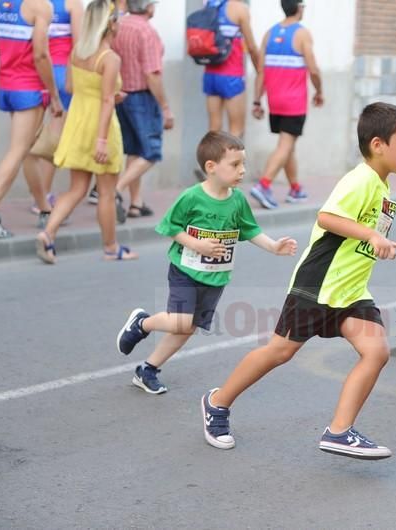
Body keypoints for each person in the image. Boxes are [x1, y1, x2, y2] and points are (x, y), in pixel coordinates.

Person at [200, 102, 396, 460]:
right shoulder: (360, 180)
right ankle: (217, 402)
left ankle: (339, 431)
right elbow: (328, 217)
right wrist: (371, 236)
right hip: (320, 283)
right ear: (378, 144)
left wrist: (375, 243)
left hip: (351, 291)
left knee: (376, 351)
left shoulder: (382, 187)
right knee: (279, 351)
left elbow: (359, 235)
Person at [115, 131, 298, 394]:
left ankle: (148, 369)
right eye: (235, 165)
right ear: (211, 167)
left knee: (187, 327)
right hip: (185, 271)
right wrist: (196, 244)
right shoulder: (191, 197)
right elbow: (170, 227)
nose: (242, 170)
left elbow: (250, 230)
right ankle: (141, 323)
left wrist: (273, 246)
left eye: (243, 164)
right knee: (180, 321)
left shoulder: (237, 200)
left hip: (216, 277)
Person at [35, 0, 138, 264]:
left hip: (78, 124)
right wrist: (102, 139)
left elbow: (69, 87)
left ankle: (47, 234)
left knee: (76, 188)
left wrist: (101, 93)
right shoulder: (110, 58)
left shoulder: (76, 53)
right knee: (106, 191)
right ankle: (111, 247)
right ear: (110, 24)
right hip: (100, 127)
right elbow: (106, 101)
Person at [0, 0, 64, 239]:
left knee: (26, 150)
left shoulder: (3, 3)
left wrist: (14, 50)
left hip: (7, 84)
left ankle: (45, 209)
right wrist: (54, 95)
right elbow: (41, 55)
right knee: (18, 150)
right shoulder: (42, 7)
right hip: (29, 88)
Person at [89, 0, 174, 220]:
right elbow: (152, 74)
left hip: (120, 95)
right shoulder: (146, 32)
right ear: (148, 7)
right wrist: (165, 107)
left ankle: (136, 203)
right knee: (151, 151)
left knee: (134, 150)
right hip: (142, 97)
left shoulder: (120, 25)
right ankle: (117, 189)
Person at [248, 0, 323, 210]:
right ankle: (263, 185)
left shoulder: (269, 34)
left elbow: (261, 72)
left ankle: (295, 188)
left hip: (274, 101)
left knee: (288, 145)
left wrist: (257, 100)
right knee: (285, 144)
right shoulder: (302, 34)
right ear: (299, 8)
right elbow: (314, 70)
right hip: (294, 103)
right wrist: (319, 91)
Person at [25, 0, 84, 228]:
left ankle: (39, 195)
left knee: (34, 138)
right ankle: (44, 197)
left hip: (37, 72)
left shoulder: (35, 4)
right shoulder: (73, 4)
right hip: (62, 73)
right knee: (54, 140)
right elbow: (79, 46)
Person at [202, 0, 261, 138]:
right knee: (236, 131)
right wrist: (260, 71)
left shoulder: (209, 5)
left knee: (213, 130)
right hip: (231, 75)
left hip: (210, 74)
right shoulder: (239, 9)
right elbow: (251, 47)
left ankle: (211, 160)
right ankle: (231, 160)